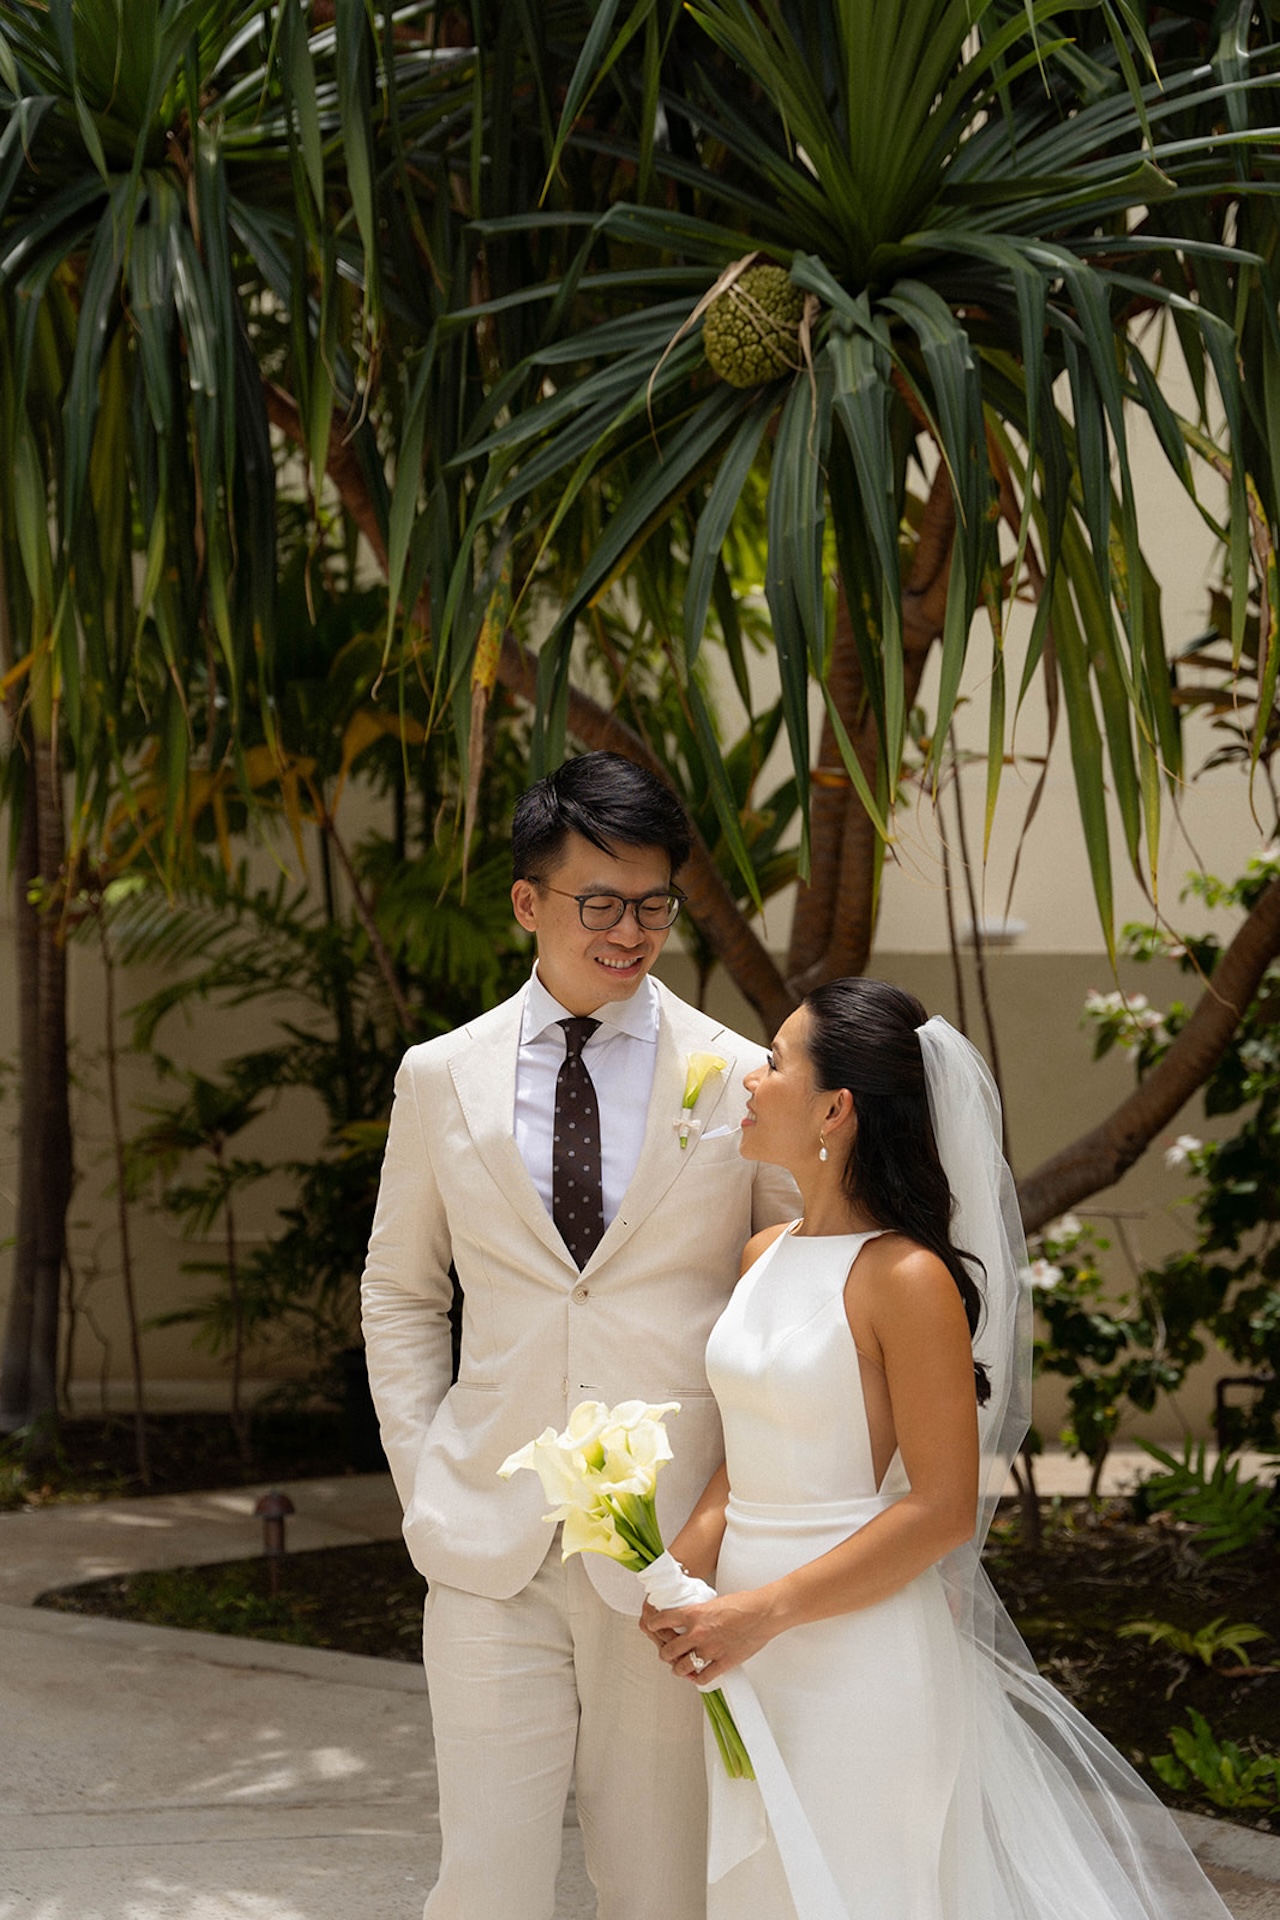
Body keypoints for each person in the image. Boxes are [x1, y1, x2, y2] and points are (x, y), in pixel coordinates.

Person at [643, 977, 1235, 1919]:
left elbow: (940, 1509)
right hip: (742, 1634)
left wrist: (764, 1611)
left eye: (775, 1061)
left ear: (835, 1108)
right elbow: (746, 1447)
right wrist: (684, 1562)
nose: (748, 1080)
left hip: (854, 1644)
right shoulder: (764, 1253)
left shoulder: (907, 1277)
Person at [360, 750, 798, 1920]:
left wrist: (729, 1516)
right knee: (485, 1881)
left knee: (658, 1886)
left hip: (669, 1555)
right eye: (598, 902)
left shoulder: (739, 1073)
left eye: (652, 904)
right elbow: (402, 1291)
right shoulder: (437, 1076)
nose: (630, 930)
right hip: (484, 1533)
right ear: (527, 902)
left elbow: (792, 1294)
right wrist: (422, 1474)